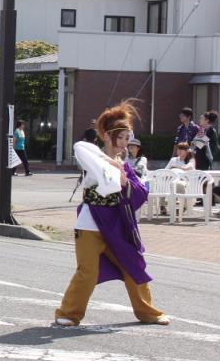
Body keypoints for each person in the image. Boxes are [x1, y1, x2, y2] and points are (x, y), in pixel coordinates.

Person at [55, 101, 170, 327]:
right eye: (122, 138)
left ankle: (148, 312)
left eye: (128, 139)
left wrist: (123, 175)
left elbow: (138, 193)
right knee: (87, 271)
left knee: (133, 266)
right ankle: (68, 313)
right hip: (90, 223)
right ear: (108, 136)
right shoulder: (92, 158)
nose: (126, 144)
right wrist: (110, 163)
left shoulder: (124, 165)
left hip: (117, 224)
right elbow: (80, 147)